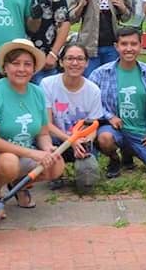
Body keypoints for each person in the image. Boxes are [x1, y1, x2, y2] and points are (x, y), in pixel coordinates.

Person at [0, 39, 64, 209]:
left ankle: (18, 185)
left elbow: (43, 133)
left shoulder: (37, 92)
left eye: (27, 64)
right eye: (16, 63)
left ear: (33, 68)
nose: (22, 69)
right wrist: (32, 153)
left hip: (22, 155)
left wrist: (47, 149)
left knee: (56, 166)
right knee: (9, 162)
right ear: (5, 67)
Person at [90, 27, 146, 194]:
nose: (128, 48)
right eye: (124, 44)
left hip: (142, 132)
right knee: (105, 138)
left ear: (140, 46)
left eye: (133, 44)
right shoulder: (101, 73)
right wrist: (109, 116)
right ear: (116, 46)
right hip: (116, 129)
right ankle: (115, 159)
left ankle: (129, 152)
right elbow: (91, 102)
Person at [40, 42, 104, 193]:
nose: (75, 63)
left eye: (80, 59)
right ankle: (56, 172)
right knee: (46, 142)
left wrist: (84, 141)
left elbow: (93, 126)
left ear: (87, 63)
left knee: (87, 182)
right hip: (56, 138)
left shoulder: (93, 90)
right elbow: (47, 124)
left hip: (81, 139)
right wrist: (71, 141)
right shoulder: (47, 84)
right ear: (61, 62)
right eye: (69, 58)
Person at [19, 0, 70, 85]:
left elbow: (64, 24)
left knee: (44, 100)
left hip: (44, 60)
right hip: (17, 58)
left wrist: (53, 55)